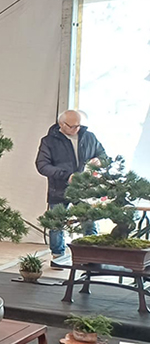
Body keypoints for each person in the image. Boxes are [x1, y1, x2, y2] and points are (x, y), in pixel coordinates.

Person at [35, 110, 107, 265]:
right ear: (61, 124)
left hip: (85, 189)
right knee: (56, 223)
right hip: (58, 188)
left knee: (89, 221)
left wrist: (99, 161)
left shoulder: (89, 137)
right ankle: (57, 256)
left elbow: (103, 155)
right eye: (72, 126)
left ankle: (92, 255)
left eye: (79, 125)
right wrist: (66, 175)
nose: (76, 129)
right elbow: (42, 165)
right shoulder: (49, 141)